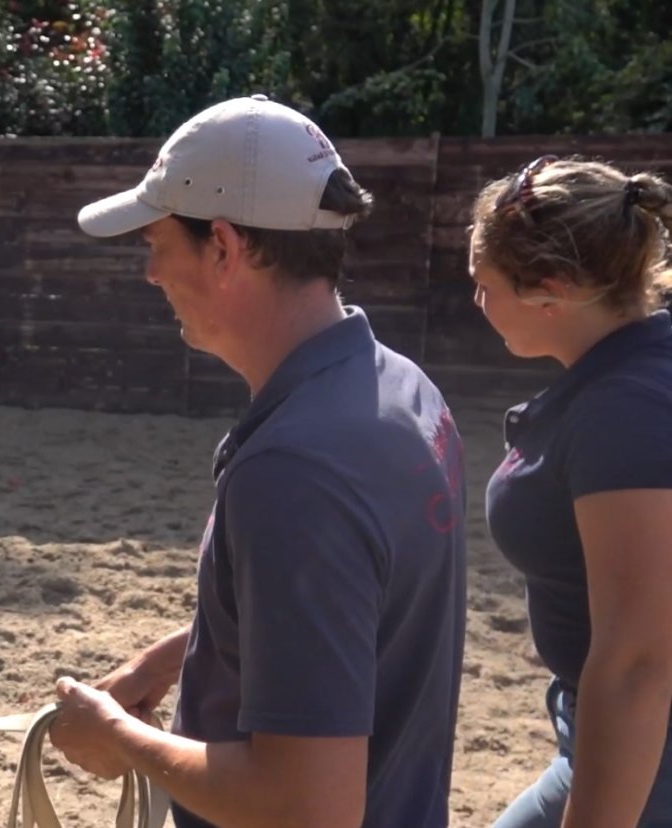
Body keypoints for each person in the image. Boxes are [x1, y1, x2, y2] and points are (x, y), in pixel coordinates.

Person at [45, 94, 469, 828]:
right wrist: (172, 657)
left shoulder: (296, 472)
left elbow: (308, 808)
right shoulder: (399, 389)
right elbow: (357, 612)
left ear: (222, 246)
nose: (151, 273)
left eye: (156, 242)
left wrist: (119, 739)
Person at [466, 155, 672, 828]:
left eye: (484, 285)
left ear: (549, 293)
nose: (478, 303)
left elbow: (638, 664)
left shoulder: (624, 411)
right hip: (609, 742)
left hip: (643, 758)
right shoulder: (638, 367)